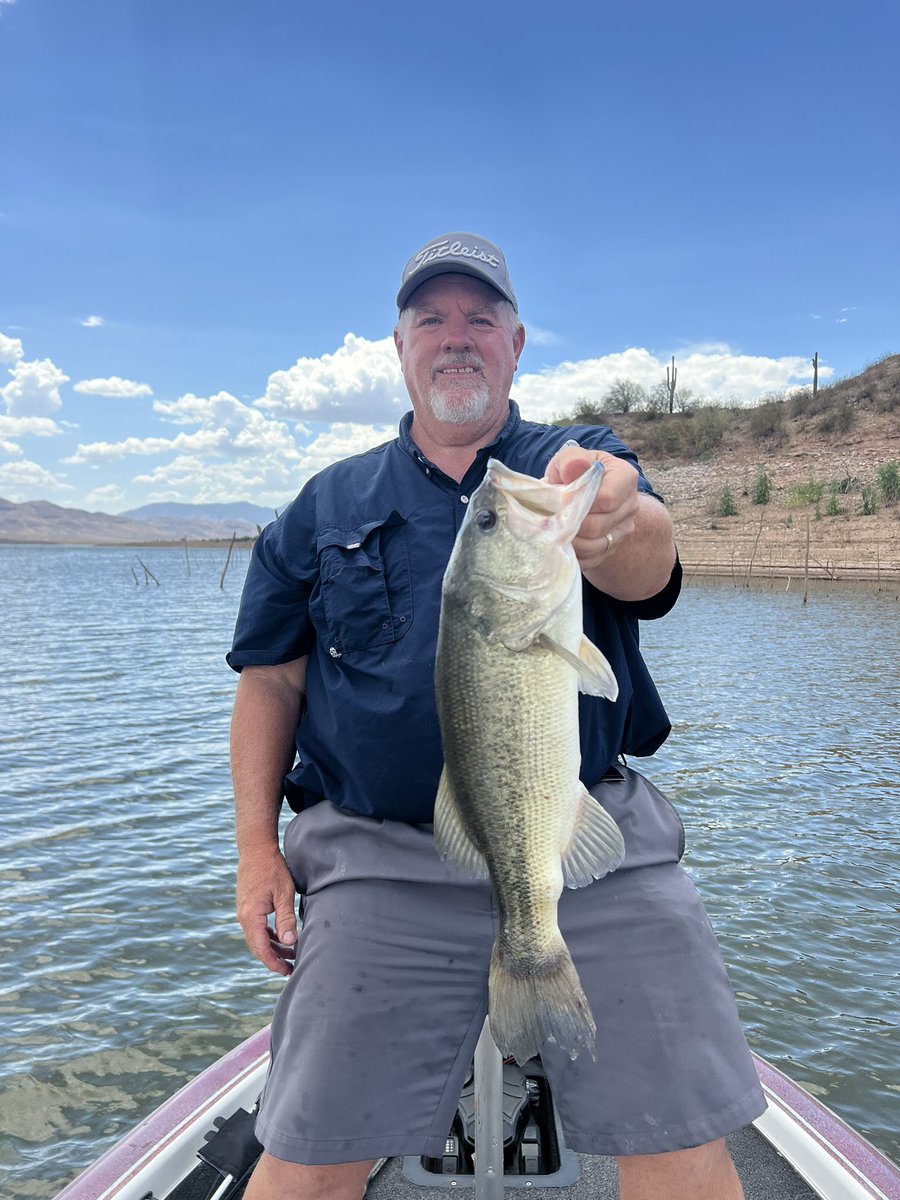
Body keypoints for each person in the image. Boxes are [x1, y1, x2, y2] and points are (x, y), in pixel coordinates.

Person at [227, 232, 766, 1200]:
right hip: (379, 860)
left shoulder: (570, 465)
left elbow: (643, 549)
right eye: (431, 319)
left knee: (684, 1139)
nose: (456, 337)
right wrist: (257, 852)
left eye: (481, 318)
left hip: (590, 846)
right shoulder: (322, 506)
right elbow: (270, 682)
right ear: (400, 350)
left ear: (516, 345)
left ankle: (551, 964)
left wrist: (612, 514)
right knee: (305, 1154)